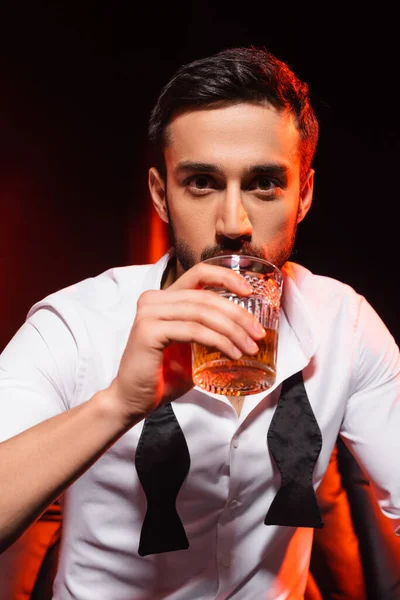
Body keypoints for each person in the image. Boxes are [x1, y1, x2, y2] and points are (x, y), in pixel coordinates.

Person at [0, 46, 399, 600]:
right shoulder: (74, 323)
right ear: (161, 195)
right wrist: (117, 403)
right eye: (202, 183)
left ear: (303, 195)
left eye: (264, 184)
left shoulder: (345, 324)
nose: (233, 223)